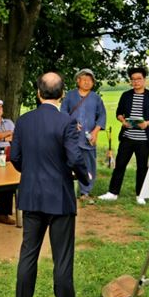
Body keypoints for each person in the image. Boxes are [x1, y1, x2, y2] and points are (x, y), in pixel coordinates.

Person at [11, 72, 90, 297]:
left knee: (28, 254)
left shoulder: (23, 121)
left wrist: (31, 172)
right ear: (63, 94)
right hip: (60, 196)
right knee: (62, 256)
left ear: (38, 93)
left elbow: (15, 157)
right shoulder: (67, 122)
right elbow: (75, 158)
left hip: (32, 195)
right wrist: (84, 177)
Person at [99, 67, 149, 205]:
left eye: (139, 79)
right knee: (120, 165)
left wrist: (148, 123)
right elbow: (119, 113)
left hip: (144, 139)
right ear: (130, 81)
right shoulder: (126, 95)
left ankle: (141, 194)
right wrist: (123, 121)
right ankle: (113, 193)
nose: (136, 82)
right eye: (133, 79)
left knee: (142, 167)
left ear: (144, 80)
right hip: (127, 137)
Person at [61, 69, 107, 202]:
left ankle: (85, 192)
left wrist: (95, 131)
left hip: (88, 138)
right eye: (84, 79)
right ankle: (66, 191)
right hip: (71, 136)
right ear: (78, 80)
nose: (87, 82)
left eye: (90, 80)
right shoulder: (70, 96)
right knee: (67, 162)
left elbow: (102, 116)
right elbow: (63, 112)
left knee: (88, 164)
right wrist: (71, 124)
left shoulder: (96, 98)